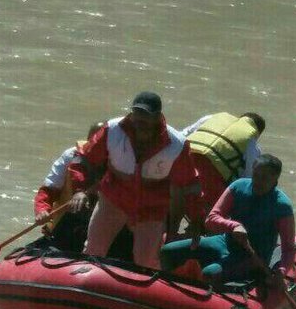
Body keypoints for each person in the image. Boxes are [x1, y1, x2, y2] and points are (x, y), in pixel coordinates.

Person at [68, 91, 199, 269]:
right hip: (113, 201)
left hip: (151, 209)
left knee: (146, 262)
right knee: (93, 249)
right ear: (131, 113)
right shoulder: (112, 130)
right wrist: (80, 190)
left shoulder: (177, 145)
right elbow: (83, 158)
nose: (140, 122)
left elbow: (190, 185)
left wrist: (197, 220)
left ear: (158, 118)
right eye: (137, 114)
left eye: (147, 116)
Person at [160, 154, 295, 286]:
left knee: (210, 274)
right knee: (167, 252)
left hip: (252, 257)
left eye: (265, 178)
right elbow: (211, 219)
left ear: (275, 181)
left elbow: (288, 248)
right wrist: (233, 226)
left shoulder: (282, 206)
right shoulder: (238, 187)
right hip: (224, 242)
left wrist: (282, 271)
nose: (258, 182)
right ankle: (170, 290)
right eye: (256, 175)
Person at [178, 112, 266, 234]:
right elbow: (249, 181)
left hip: (178, 167)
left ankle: (173, 232)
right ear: (257, 133)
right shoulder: (251, 142)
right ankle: (205, 233)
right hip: (205, 187)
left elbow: (180, 136)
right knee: (224, 211)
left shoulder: (210, 118)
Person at [33, 122, 105, 251]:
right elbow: (48, 190)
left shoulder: (123, 159)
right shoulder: (71, 155)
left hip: (105, 227)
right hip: (68, 225)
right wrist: (42, 210)